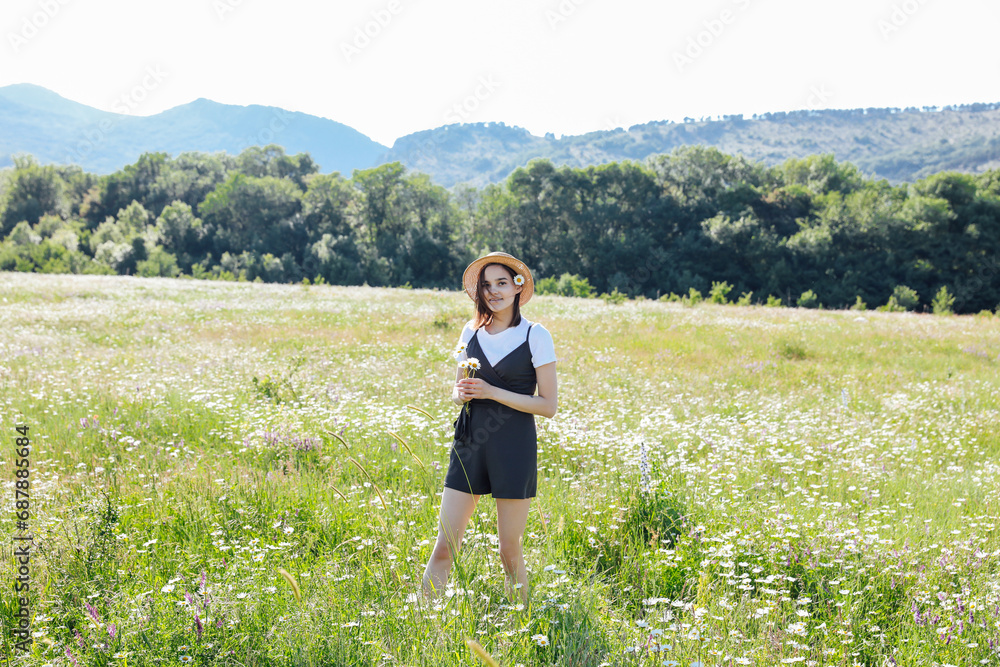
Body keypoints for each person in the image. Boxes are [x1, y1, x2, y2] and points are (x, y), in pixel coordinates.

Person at [422, 252, 558, 604]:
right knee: (444, 547)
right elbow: (456, 391)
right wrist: (461, 393)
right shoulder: (470, 331)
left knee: (508, 550)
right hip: (470, 444)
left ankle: (522, 622)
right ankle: (422, 621)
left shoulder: (536, 335)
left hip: (514, 448)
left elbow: (548, 406)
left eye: (501, 283)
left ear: (518, 286)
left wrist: (492, 391)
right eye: (486, 285)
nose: (494, 292)